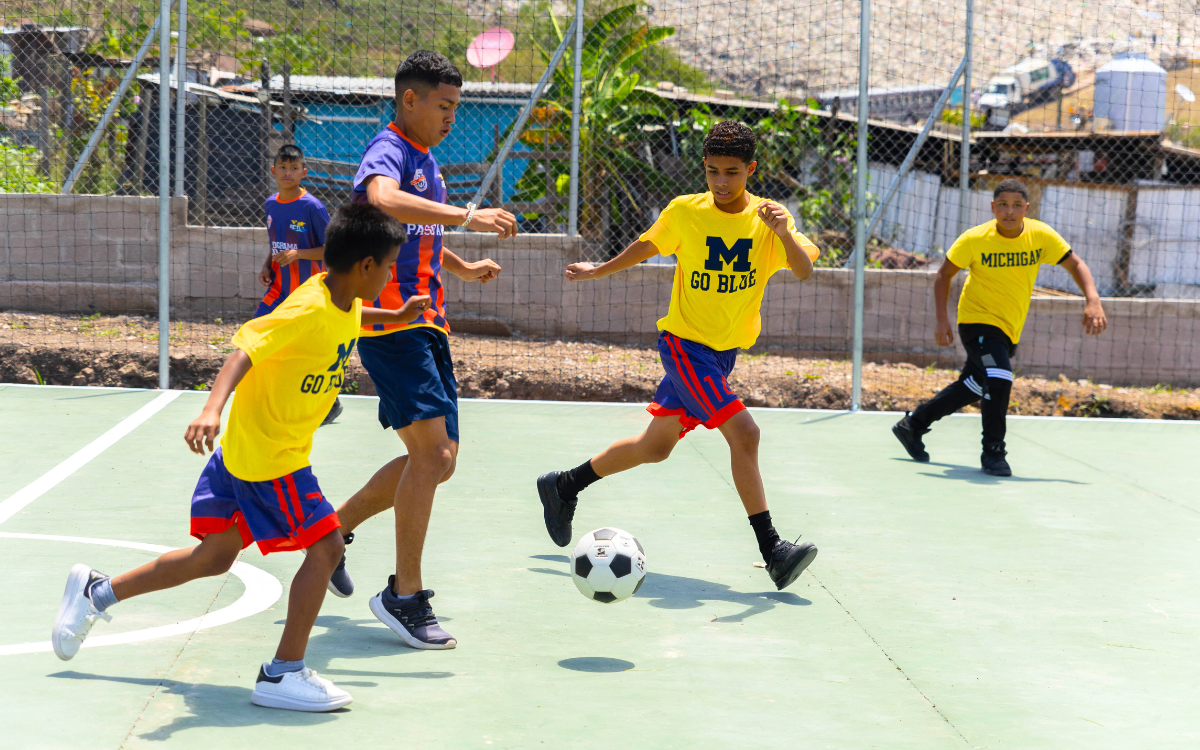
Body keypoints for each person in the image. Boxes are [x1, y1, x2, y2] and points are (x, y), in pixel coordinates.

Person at [51, 203, 431, 712]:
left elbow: (357, 318)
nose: (390, 276)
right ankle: (283, 673)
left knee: (213, 558)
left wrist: (397, 315)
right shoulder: (306, 309)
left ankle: (97, 592)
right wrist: (211, 407)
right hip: (272, 460)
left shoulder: (340, 298)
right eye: (387, 267)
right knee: (326, 548)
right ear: (366, 266)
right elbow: (246, 348)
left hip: (250, 451)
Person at [537, 121, 821, 591]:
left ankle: (564, 485)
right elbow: (646, 245)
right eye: (712, 172)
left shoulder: (771, 219)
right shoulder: (686, 212)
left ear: (751, 169)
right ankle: (773, 550)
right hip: (685, 348)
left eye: (732, 172)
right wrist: (596, 271)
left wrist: (783, 234)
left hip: (721, 355)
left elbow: (805, 270)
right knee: (745, 434)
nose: (721, 182)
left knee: (655, 447)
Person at [320, 50, 518, 649]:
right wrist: (467, 216)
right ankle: (405, 595)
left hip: (429, 321)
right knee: (431, 459)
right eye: (445, 105)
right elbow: (380, 200)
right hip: (392, 324)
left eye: (456, 106)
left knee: (441, 460)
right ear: (411, 99)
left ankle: (331, 530)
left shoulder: (426, 159)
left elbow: (415, 231)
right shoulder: (390, 150)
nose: (451, 116)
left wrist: (458, 266)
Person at [892, 178, 1108, 476]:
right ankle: (993, 452)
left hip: (1009, 328)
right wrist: (942, 319)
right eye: (1003, 205)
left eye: (1017, 205)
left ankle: (913, 425)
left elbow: (1075, 264)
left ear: (1027, 209)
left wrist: (1093, 299)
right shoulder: (974, 239)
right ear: (993, 207)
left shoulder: (1040, 235)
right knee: (1000, 377)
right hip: (975, 321)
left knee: (975, 384)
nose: (1010, 211)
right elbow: (944, 275)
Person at [254, 144, 343, 426]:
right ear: (273, 171)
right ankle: (270, 399)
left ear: (304, 172)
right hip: (278, 290)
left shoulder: (312, 207)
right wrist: (268, 262)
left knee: (304, 350)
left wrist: (299, 254)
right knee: (258, 337)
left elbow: (332, 249)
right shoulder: (270, 204)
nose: (288, 172)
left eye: (294, 168)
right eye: (283, 167)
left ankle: (329, 402)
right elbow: (276, 241)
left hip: (307, 294)